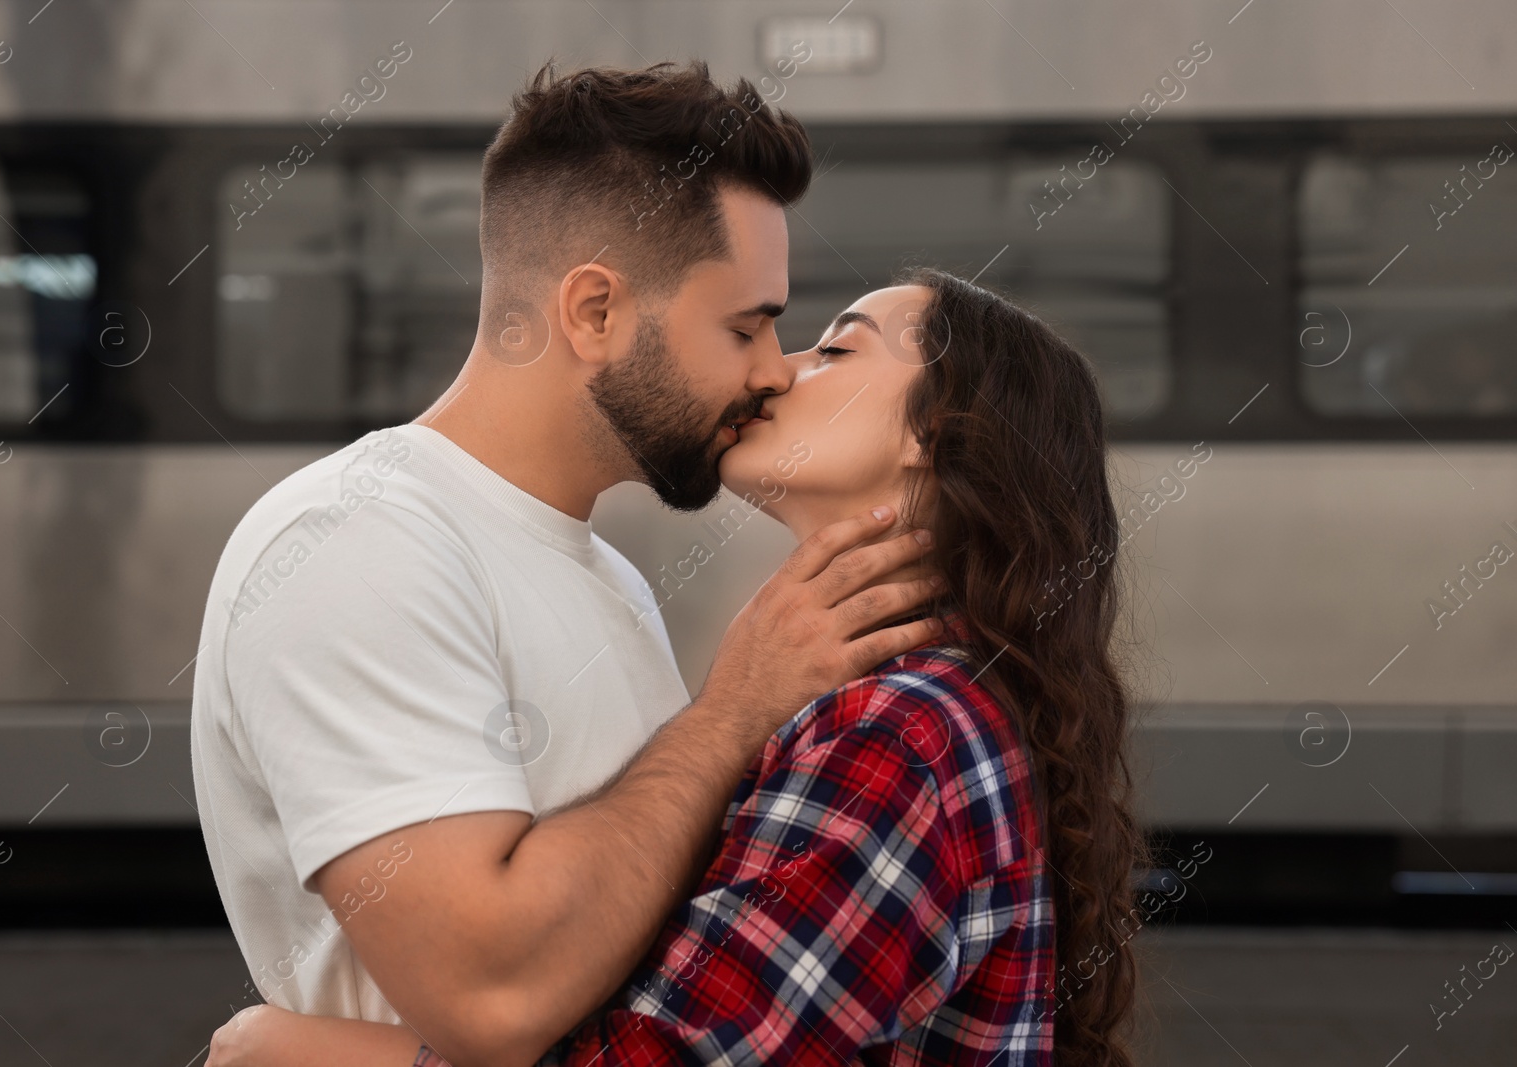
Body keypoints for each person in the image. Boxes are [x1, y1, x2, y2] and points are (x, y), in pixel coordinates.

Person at [189, 62, 942, 1067]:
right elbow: (488, 994)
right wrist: (726, 717)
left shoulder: (603, 573)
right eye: (744, 324)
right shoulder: (354, 541)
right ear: (593, 312)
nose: (773, 369)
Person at [206, 272, 1145, 1065]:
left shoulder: (900, 734)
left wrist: (292, 1048)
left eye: (835, 350)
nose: (777, 371)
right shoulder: (927, 705)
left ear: (930, 434)